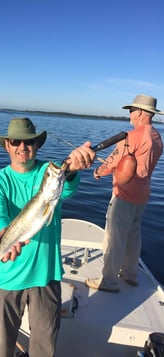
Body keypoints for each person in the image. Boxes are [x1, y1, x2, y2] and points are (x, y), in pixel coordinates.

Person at [0, 117, 96, 357]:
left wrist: (72, 170)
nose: (22, 147)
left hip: (45, 276)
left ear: (37, 145)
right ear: (7, 145)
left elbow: (65, 187)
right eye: (16, 142)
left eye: (29, 142)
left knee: (44, 348)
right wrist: (3, 232)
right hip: (7, 275)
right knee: (2, 348)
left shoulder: (49, 171)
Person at [85, 94, 163, 293]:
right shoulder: (156, 137)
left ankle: (109, 281)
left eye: (131, 111)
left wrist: (98, 171)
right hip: (143, 196)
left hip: (124, 196)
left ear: (138, 112)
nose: (130, 114)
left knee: (114, 238)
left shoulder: (132, 137)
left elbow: (113, 160)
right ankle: (130, 275)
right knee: (134, 236)